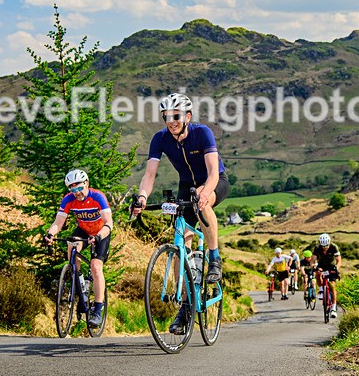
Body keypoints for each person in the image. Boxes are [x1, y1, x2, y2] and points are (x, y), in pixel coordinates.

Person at [130, 93, 230, 334]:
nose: (171, 121)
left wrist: (205, 193)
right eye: (166, 117)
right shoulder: (160, 138)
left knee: (202, 205)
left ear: (187, 116)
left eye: (176, 116)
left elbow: (213, 172)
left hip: (214, 182)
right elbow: (150, 175)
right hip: (186, 184)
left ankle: (214, 258)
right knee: (180, 246)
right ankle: (185, 307)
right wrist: (142, 196)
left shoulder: (202, 132)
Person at [43, 169, 113, 328]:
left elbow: (109, 222)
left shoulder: (97, 197)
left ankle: (97, 309)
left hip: (101, 232)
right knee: (72, 245)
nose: (77, 192)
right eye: (72, 189)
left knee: (96, 267)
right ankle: (79, 283)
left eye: (79, 188)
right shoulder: (67, 200)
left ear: (86, 183)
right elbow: (58, 223)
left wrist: (99, 236)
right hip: (84, 231)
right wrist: (50, 234)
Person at [312, 233, 341, 319]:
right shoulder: (317, 248)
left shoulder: (334, 247)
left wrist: (336, 268)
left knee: (332, 286)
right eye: (323, 246)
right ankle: (321, 290)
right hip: (321, 266)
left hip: (331, 266)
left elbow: (339, 260)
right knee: (317, 273)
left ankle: (334, 308)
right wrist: (313, 265)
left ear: (329, 243)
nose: (325, 247)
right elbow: (313, 260)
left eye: (326, 245)